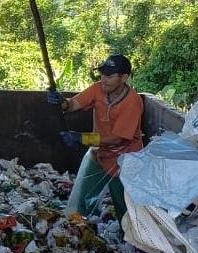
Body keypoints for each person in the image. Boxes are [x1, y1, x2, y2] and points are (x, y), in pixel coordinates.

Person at [47, 54, 144, 221]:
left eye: (109, 76)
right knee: (82, 198)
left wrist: (81, 138)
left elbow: (117, 139)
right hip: (100, 154)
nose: (103, 80)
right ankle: (79, 229)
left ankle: (127, 242)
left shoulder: (132, 102)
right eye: (102, 75)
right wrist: (61, 102)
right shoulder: (98, 89)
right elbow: (73, 104)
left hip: (125, 161)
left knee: (124, 207)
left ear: (124, 78)